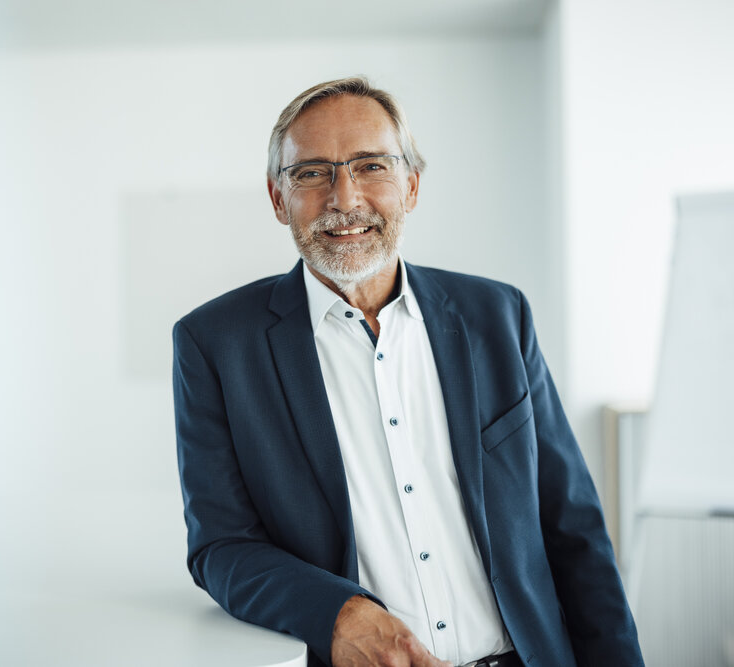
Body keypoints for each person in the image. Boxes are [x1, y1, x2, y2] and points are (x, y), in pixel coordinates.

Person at [172, 77, 643, 667]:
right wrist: (339, 612)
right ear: (276, 198)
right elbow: (221, 548)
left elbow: (573, 529)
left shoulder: (498, 316)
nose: (344, 198)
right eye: (312, 173)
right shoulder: (214, 342)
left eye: (370, 166)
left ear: (412, 185)